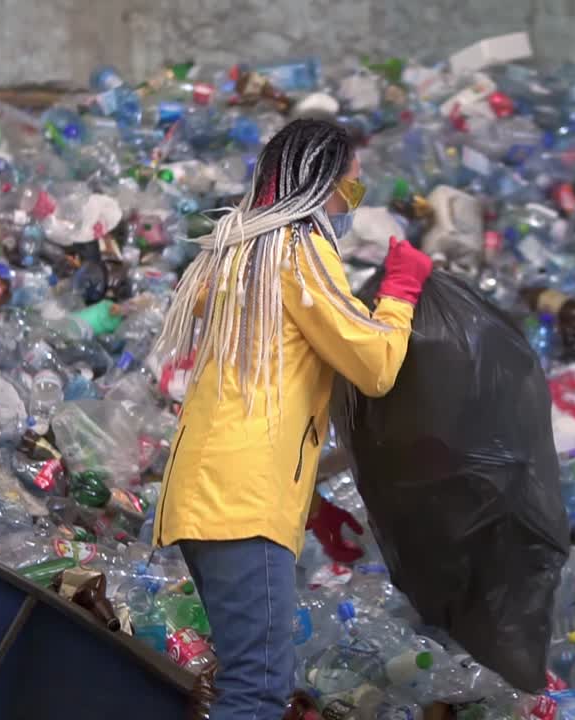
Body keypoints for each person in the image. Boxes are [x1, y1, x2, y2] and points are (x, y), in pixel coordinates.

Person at [150, 118, 433, 719]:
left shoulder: (244, 248)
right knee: (256, 692)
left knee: (248, 682)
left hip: (211, 494)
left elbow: (272, 379)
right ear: (321, 183)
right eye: (352, 190)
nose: (353, 203)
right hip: (242, 505)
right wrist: (401, 292)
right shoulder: (300, 252)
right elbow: (376, 364)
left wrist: (310, 502)